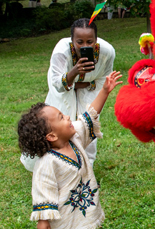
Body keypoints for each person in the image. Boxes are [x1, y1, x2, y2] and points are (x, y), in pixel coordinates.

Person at [17, 71, 122, 229]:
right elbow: (42, 193)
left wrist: (104, 91)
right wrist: (43, 219)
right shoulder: (47, 164)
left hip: (73, 210)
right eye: (62, 117)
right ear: (52, 135)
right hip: (59, 220)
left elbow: (88, 117)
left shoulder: (72, 139)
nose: (68, 119)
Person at [21, 18, 116, 170]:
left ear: (96, 40)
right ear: (71, 40)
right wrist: (74, 73)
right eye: (80, 42)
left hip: (90, 88)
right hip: (63, 87)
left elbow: (102, 80)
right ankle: (53, 164)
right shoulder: (61, 51)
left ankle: (85, 164)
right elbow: (58, 84)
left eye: (90, 41)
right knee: (60, 123)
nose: (85, 46)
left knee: (88, 122)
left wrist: (84, 85)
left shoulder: (107, 51)